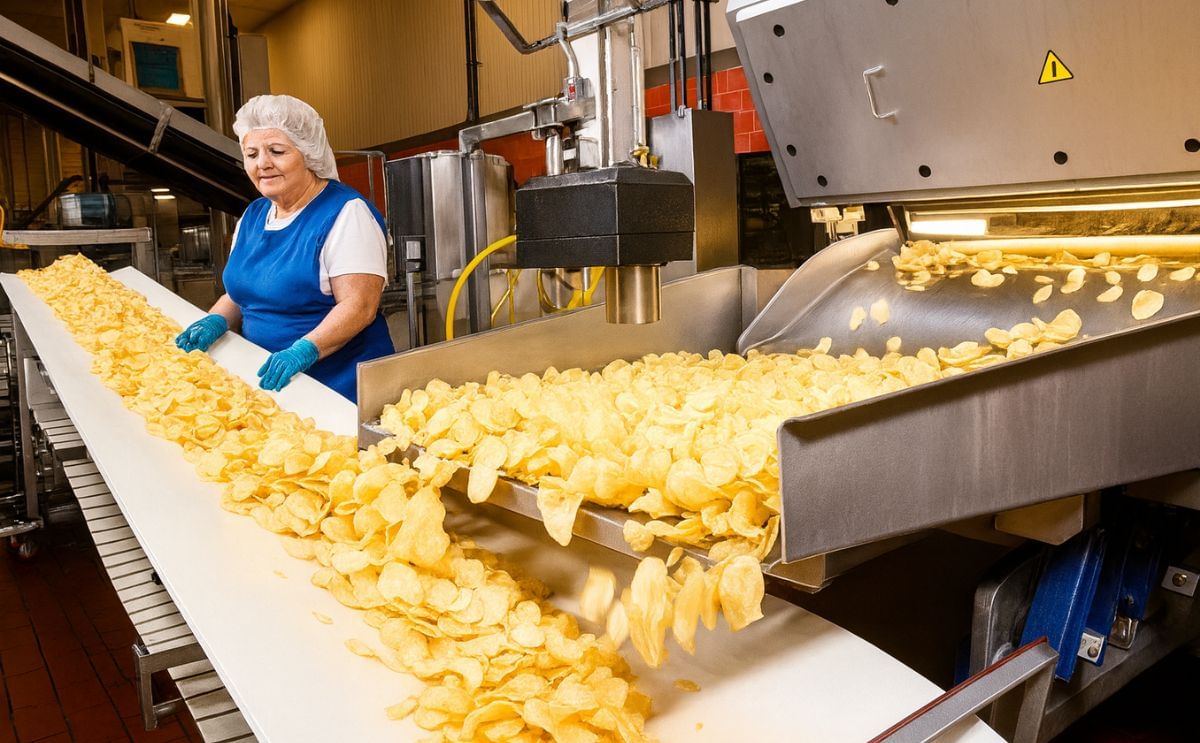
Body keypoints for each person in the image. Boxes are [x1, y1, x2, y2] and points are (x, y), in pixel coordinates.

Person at [175, 94, 393, 401]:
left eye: (276, 151)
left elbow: (359, 306)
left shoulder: (346, 213)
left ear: (308, 154)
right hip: (268, 382)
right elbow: (241, 293)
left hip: (339, 389)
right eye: (251, 154)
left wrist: (303, 351)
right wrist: (215, 320)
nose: (262, 164)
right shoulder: (253, 215)